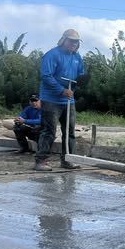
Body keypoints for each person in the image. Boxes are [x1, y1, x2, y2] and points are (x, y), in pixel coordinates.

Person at [34, 29, 86, 171]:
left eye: (76, 42)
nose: (74, 44)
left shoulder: (77, 57)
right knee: (49, 131)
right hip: (51, 100)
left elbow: (80, 73)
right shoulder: (52, 55)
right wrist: (61, 90)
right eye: (71, 41)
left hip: (69, 100)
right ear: (63, 40)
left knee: (69, 131)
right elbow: (46, 76)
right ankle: (41, 161)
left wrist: (80, 82)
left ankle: (68, 160)